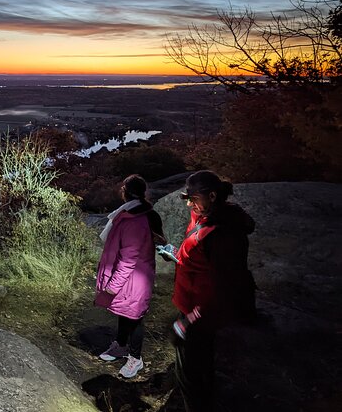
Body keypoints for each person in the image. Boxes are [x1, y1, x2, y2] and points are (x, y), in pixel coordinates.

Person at [171, 170, 256, 412]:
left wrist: (189, 320)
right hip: (193, 306)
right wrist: (178, 254)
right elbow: (199, 257)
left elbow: (223, 285)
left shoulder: (223, 234)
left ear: (212, 195)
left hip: (201, 315)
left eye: (193, 198)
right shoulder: (203, 217)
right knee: (197, 367)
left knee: (192, 376)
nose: (189, 203)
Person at [95, 174, 166, 378]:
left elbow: (129, 257)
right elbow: (159, 241)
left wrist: (112, 285)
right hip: (130, 273)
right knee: (124, 310)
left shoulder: (133, 217)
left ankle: (136, 358)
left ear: (125, 191)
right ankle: (121, 346)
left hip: (134, 276)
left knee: (134, 316)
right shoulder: (140, 213)